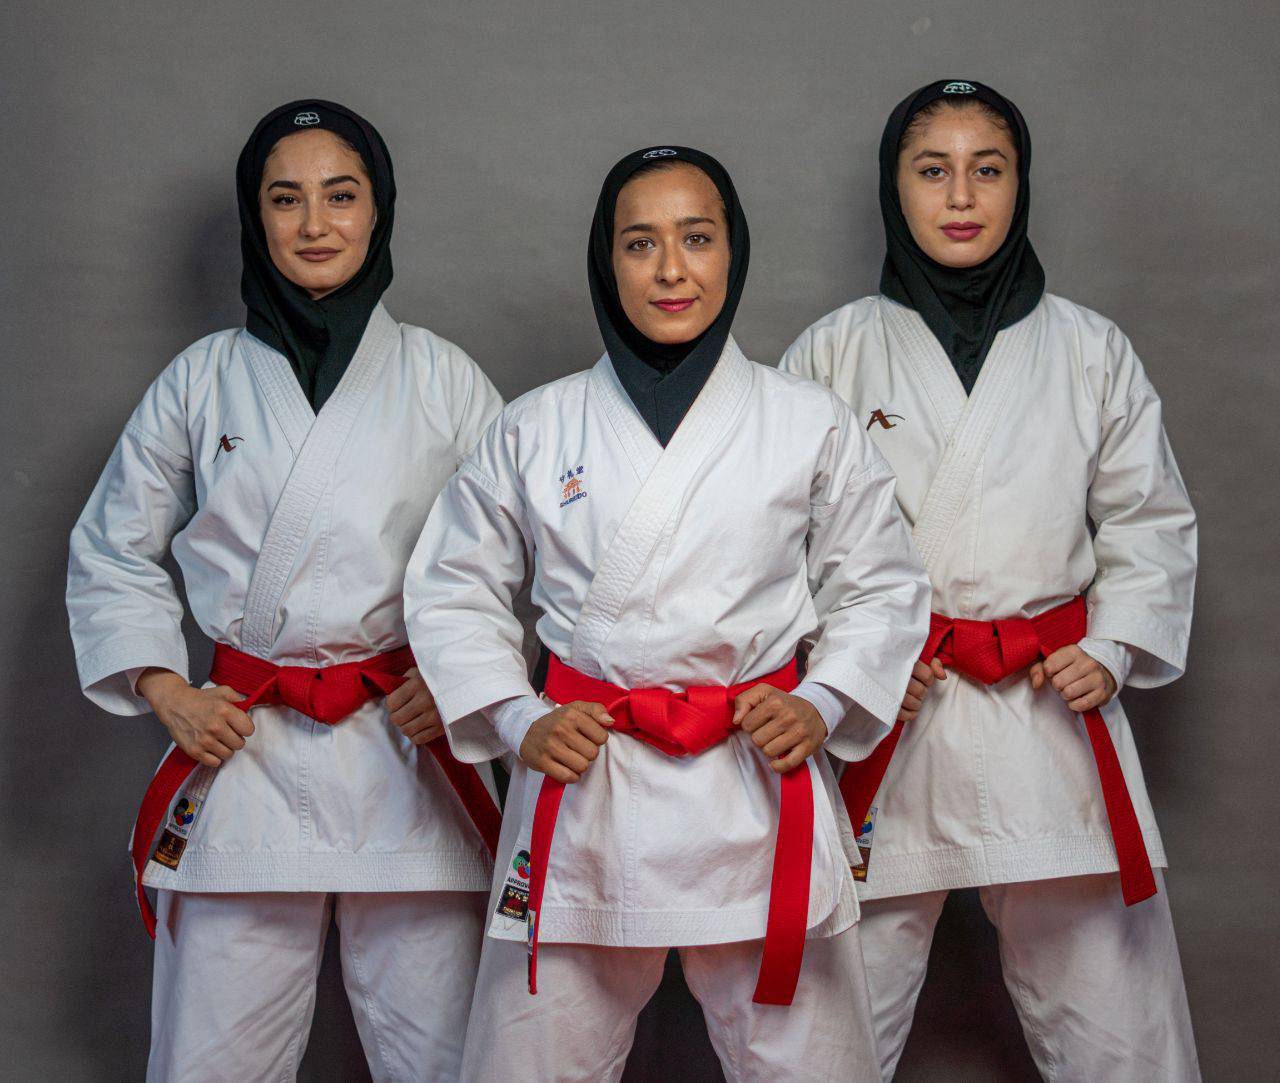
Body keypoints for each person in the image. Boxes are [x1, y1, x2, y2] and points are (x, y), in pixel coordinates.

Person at [403, 145, 931, 1082]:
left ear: (735, 251)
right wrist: (520, 718)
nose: (672, 269)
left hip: (757, 779)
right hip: (587, 781)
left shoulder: (808, 420)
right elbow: (454, 587)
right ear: (606, 261)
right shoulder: (535, 425)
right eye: (640, 243)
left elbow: (882, 583)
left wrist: (821, 700)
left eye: (697, 238)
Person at [66, 99, 503, 1082]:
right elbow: (111, 546)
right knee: (209, 1061)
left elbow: (528, 554)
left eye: (340, 196)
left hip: (407, 754)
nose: (314, 223)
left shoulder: (443, 379)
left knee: (446, 1060)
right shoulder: (201, 379)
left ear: (378, 210)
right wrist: (165, 689)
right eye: (285, 198)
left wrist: (465, 680)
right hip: (245, 748)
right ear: (254, 215)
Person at [780, 79, 1200, 1080]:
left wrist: (1113, 645)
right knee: (819, 1043)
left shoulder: (1090, 349)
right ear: (894, 188)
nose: (961, 195)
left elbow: (1149, 520)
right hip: (886, 722)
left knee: (1119, 1037)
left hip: (1046, 713)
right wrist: (842, 670)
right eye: (933, 170)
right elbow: (773, 547)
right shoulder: (830, 353)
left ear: (1021, 184)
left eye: (987, 169)